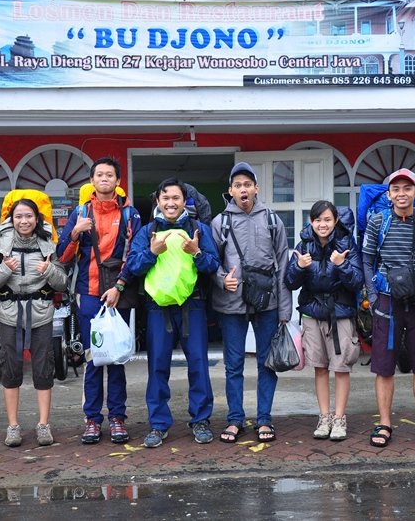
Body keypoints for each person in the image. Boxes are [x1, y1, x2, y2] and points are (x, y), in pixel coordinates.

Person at [126, 177, 220, 448]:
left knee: (199, 365)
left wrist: (197, 252)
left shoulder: (198, 229)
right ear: (158, 201)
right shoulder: (148, 232)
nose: (170, 203)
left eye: (176, 198)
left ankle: (201, 420)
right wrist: (151, 253)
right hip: (158, 308)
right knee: (157, 367)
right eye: (165, 198)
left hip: (194, 305)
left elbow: (213, 265)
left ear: (184, 202)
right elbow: (133, 267)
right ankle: (158, 424)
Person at [57, 157, 141, 445]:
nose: (104, 178)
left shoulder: (130, 214)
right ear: (92, 181)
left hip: (119, 292)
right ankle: (92, 419)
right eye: (99, 174)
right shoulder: (80, 212)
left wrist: (119, 285)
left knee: (117, 357)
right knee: (94, 357)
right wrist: (75, 232)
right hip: (89, 293)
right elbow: (62, 256)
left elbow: (135, 254)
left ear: (118, 181)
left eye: (110, 174)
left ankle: (117, 418)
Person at [361, 168, 415, 449]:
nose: (401, 194)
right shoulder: (377, 221)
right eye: (396, 189)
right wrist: (372, 297)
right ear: (388, 194)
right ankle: (384, 423)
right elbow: (367, 259)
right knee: (384, 367)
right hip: (386, 299)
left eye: (407, 188)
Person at [211, 162, 292, 444]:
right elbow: (211, 263)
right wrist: (222, 279)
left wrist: (284, 309)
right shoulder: (220, 222)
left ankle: (264, 418)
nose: (243, 189)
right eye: (237, 185)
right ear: (230, 191)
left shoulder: (272, 220)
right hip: (231, 304)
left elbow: (283, 264)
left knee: (266, 363)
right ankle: (235, 419)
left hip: (267, 303)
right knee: (233, 365)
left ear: (256, 188)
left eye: (247, 184)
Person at [0, 198, 68, 447]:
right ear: (11, 219)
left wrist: (49, 270)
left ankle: (43, 425)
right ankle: (13, 427)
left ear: (37, 218)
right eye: (18, 216)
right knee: (10, 369)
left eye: (29, 216)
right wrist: (5, 269)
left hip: (41, 313)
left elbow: (62, 282)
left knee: (43, 368)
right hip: (9, 315)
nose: (24, 221)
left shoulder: (49, 245)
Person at [284, 201, 363, 441]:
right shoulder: (303, 245)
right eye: (318, 220)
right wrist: (298, 267)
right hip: (312, 314)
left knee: (340, 367)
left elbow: (357, 282)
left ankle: (339, 419)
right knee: (319, 367)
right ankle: (324, 416)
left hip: (340, 314)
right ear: (311, 221)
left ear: (335, 221)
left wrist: (342, 265)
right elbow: (290, 282)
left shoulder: (347, 244)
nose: (323, 224)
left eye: (327, 219)